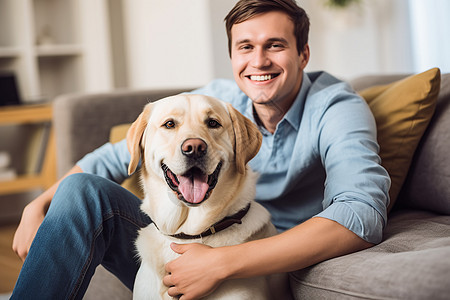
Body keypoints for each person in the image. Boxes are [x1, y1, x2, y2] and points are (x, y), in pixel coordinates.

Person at [11, 0, 390, 299]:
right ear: (232, 57)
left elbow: (361, 213)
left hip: (263, 254)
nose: (259, 61)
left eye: (275, 45)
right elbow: (110, 158)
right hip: (180, 242)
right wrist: (38, 204)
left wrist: (221, 262)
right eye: (246, 47)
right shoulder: (217, 102)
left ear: (303, 54)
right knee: (80, 191)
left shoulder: (336, 107)